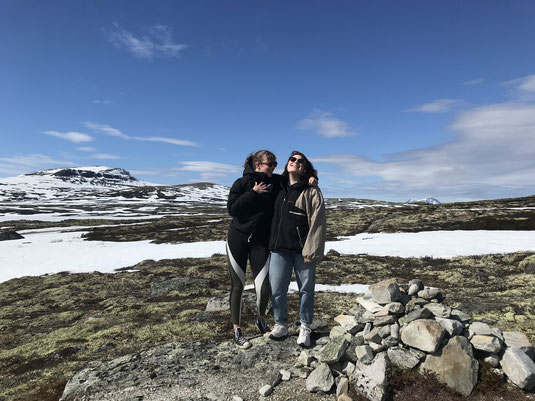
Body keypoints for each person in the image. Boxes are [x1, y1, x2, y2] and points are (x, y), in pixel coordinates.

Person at [268, 151, 326, 347]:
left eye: (301, 161)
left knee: (306, 290)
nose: (295, 163)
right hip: (278, 248)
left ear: (305, 168)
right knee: (276, 289)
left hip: (303, 250)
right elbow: (256, 172)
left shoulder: (311, 191)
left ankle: (305, 326)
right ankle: (280, 323)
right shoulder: (277, 186)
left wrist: (312, 250)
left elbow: (318, 223)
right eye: (292, 159)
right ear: (286, 164)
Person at [226, 150, 280, 349]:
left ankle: (261, 320)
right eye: (270, 163)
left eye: (275, 164)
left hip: (261, 241)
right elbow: (232, 209)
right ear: (258, 165)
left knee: (263, 285)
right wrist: (253, 193)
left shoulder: (275, 183)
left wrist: (311, 177)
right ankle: (237, 330)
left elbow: (294, 181)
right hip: (237, 239)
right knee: (238, 285)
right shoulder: (240, 184)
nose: (274, 167)